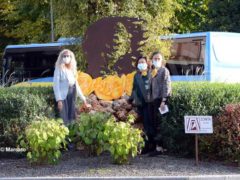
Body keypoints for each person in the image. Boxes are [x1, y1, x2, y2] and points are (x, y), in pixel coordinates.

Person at [53, 49, 91, 125]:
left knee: (72, 117)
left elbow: (76, 85)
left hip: (72, 94)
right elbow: (55, 85)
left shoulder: (72, 70)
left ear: (71, 58)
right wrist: (59, 100)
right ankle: (65, 135)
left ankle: (71, 134)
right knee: (64, 118)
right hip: (63, 97)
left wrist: (83, 98)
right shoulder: (58, 69)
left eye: (68, 56)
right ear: (61, 58)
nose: (66, 57)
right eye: (64, 56)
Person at [129, 56, 154, 153]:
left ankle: (152, 146)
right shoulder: (136, 75)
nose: (141, 64)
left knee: (150, 124)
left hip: (150, 103)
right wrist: (131, 99)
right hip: (141, 104)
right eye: (139, 62)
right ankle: (146, 146)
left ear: (147, 63)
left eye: (143, 62)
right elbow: (134, 88)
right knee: (144, 125)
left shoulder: (151, 73)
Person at [149, 51, 172, 156]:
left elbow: (166, 86)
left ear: (162, 60)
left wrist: (164, 101)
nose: (157, 60)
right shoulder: (152, 72)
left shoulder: (164, 71)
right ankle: (157, 147)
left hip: (161, 101)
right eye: (155, 58)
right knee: (155, 123)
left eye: (158, 58)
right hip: (153, 101)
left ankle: (161, 148)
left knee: (160, 124)